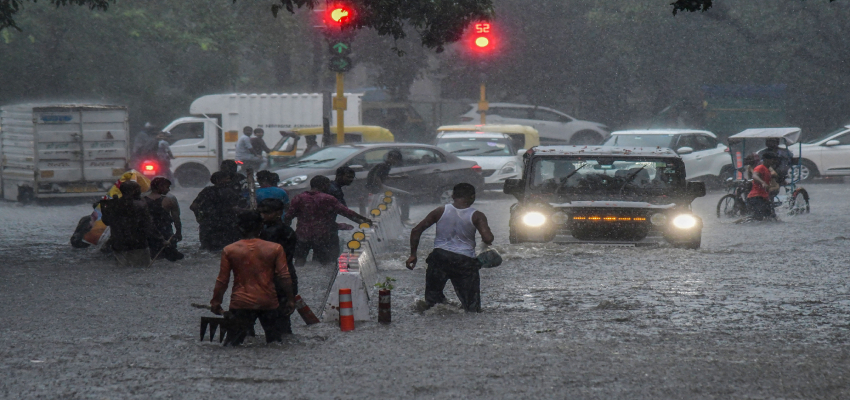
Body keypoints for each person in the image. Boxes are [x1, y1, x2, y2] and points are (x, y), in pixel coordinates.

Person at [210, 211, 296, 346]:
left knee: (232, 345)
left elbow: (222, 280)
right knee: (275, 345)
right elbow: (284, 276)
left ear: (238, 227)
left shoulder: (230, 250)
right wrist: (290, 299)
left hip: (241, 303)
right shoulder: (274, 248)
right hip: (268, 302)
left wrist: (216, 302)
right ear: (261, 226)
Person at [406, 183, 494, 312]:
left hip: (439, 258)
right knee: (472, 307)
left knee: (432, 302)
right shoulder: (477, 215)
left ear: (453, 196)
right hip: (464, 262)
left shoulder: (440, 211)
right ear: (472, 197)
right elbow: (488, 238)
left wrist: (413, 254)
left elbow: (416, 230)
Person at [285, 176, 372, 266]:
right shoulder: (328, 198)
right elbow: (346, 212)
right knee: (322, 263)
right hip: (321, 236)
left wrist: (287, 231)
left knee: (299, 260)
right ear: (323, 185)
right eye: (327, 185)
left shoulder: (298, 198)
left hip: (302, 235)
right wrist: (364, 220)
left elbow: (289, 216)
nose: (329, 188)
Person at [101, 181, 169, 267]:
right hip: (138, 245)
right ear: (133, 191)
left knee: (122, 271)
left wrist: (104, 209)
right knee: (141, 270)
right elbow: (148, 225)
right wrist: (161, 240)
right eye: (139, 190)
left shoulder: (113, 204)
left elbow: (107, 222)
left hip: (119, 245)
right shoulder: (140, 205)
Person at [258, 198, 299, 334]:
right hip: (282, 280)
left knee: (276, 323)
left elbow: (280, 264)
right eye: (261, 212)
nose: (263, 216)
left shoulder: (273, 233)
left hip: (278, 281)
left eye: (267, 212)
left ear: (278, 213)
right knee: (281, 323)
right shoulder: (285, 231)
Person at [191, 172, 242, 250]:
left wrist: (199, 217)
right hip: (227, 226)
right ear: (218, 180)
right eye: (227, 179)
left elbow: (193, 206)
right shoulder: (230, 192)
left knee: (207, 250)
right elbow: (236, 208)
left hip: (208, 227)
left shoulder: (206, 191)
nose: (229, 181)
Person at [144, 177, 184, 262]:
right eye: (167, 187)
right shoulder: (170, 199)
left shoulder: (142, 200)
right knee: (170, 258)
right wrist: (178, 232)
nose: (169, 190)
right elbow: (176, 218)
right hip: (166, 233)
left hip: (148, 234)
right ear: (160, 186)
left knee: (153, 257)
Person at [366, 149, 411, 221]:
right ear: (391, 158)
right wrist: (382, 188)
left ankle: (402, 217)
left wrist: (400, 177)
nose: (396, 162)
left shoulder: (386, 165)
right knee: (406, 195)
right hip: (375, 188)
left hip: (375, 187)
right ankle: (405, 218)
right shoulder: (384, 165)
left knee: (403, 195)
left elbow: (384, 176)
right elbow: (377, 176)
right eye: (396, 160)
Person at [747, 152, 777, 221]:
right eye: (772, 160)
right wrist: (762, 182)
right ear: (767, 160)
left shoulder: (768, 169)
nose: (773, 161)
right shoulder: (760, 167)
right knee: (758, 218)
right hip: (755, 198)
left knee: (771, 217)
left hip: (763, 198)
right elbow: (755, 175)